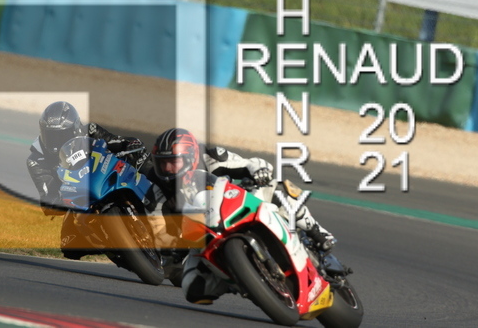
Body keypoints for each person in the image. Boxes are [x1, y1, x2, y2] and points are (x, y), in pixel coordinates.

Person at [145, 127, 335, 304]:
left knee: (276, 187)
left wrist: (259, 172)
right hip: (203, 238)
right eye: (162, 163)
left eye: (173, 162)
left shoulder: (212, 158)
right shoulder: (155, 189)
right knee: (192, 289)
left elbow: (251, 164)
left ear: (190, 157)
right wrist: (173, 246)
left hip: (236, 207)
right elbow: (159, 233)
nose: (167, 169)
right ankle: (241, 280)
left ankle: (317, 232)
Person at [26, 101, 150, 259]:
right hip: (78, 197)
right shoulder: (37, 160)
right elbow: (49, 195)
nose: (56, 142)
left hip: (108, 176)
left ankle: (171, 195)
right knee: (70, 246)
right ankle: (118, 250)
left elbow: (118, 142)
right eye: (50, 135)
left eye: (61, 135)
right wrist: (55, 203)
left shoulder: (90, 131)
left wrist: (131, 145)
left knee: (145, 162)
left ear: (75, 128)